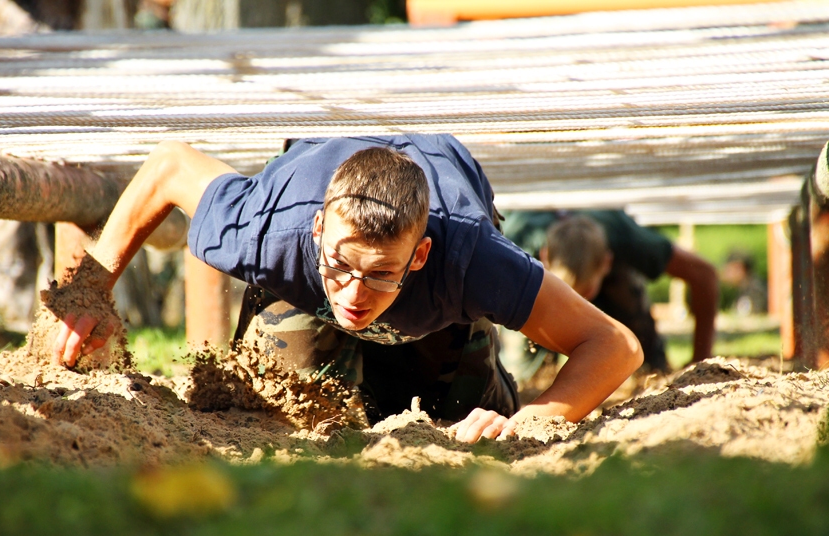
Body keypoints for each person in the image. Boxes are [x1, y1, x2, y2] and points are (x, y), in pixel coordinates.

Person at [51, 134, 642, 443]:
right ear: (317, 231)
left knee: (468, 421)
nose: (355, 292)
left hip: (437, 312)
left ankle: (464, 369)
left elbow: (615, 345)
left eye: (381, 271)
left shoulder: (470, 260)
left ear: (420, 254)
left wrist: (537, 418)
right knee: (290, 411)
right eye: (342, 265)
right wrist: (88, 290)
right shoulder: (269, 227)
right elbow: (169, 165)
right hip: (302, 273)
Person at [502, 210, 718, 374]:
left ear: (606, 262)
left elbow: (704, 274)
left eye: (584, 292)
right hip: (536, 286)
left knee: (645, 367)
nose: (576, 304)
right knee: (518, 371)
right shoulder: (514, 245)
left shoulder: (625, 237)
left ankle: (647, 363)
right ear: (545, 256)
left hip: (612, 272)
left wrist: (700, 363)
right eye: (567, 291)